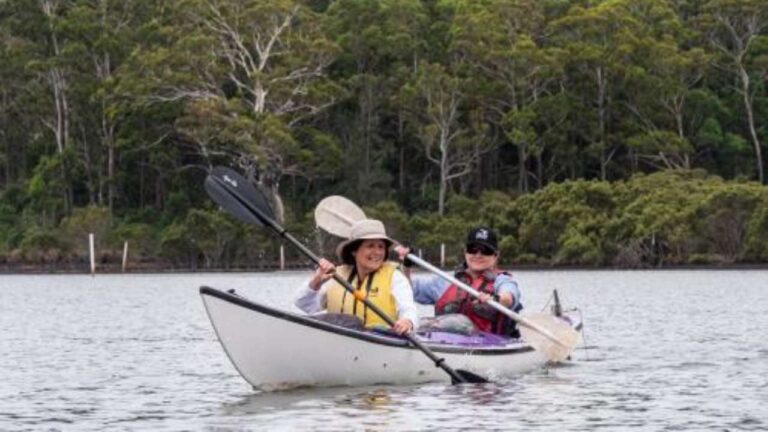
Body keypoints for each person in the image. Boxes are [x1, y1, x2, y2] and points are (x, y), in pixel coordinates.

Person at [294, 218, 418, 335]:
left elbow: (408, 309)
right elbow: (304, 304)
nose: (377, 252)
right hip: (339, 343)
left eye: (381, 247)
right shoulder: (336, 276)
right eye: (370, 246)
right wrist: (316, 282)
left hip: (381, 341)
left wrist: (407, 322)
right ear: (354, 251)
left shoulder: (395, 277)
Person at [395, 227, 523, 337]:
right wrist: (406, 267)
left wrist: (495, 299)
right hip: (443, 342)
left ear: (495, 256)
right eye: (473, 249)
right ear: (465, 252)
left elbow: (509, 296)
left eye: (486, 251)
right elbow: (406, 290)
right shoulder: (446, 280)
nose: (478, 255)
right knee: (415, 321)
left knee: (461, 322)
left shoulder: (502, 280)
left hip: (488, 345)